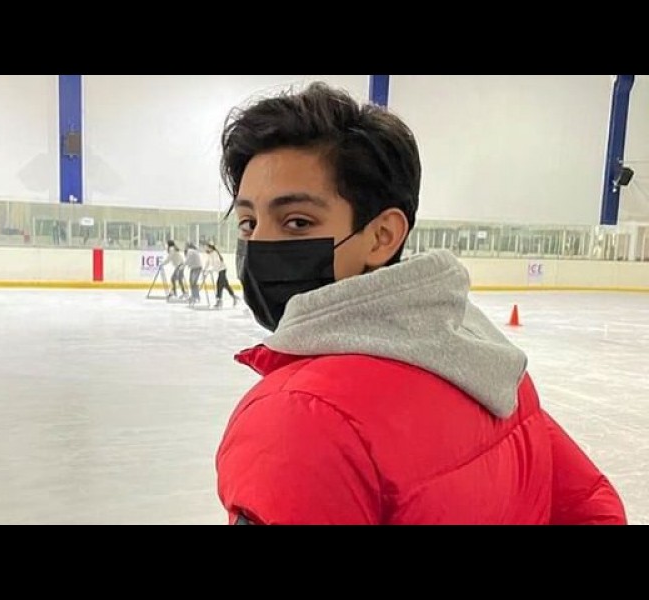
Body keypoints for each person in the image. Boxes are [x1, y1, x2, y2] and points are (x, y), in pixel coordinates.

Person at [214, 82, 626, 525]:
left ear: (382, 236)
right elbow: (591, 508)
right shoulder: (488, 359)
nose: (259, 243)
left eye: (297, 222)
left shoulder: (299, 418)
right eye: (248, 222)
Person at [204, 242, 238, 308]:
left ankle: (219, 301)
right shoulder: (210, 254)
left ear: (210, 248)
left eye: (207, 247)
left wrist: (211, 270)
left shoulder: (215, 253)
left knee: (219, 284)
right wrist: (205, 269)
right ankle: (234, 297)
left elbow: (217, 263)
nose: (206, 248)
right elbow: (207, 262)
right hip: (219, 271)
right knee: (225, 285)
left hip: (222, 270)